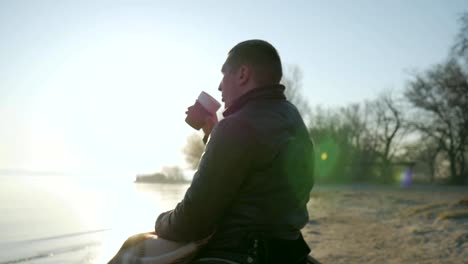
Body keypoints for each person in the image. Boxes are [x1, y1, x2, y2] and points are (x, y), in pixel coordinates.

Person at [154, 39, 315, 264]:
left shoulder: (236, 126)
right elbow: (261, 175)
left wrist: (160, 221)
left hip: (241, 254)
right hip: (288, 250)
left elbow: (192, 222)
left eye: (223, 75)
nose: (219, 86)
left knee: (134, 250)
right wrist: (213, 134)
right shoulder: (291, 116)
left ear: (242, 74)